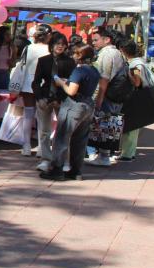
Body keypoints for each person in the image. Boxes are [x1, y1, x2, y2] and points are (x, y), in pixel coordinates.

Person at [41, 44, 99, 181]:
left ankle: (57, 169)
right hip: (88, 104)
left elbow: (71, 91)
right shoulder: (94, 70)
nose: (72, 56)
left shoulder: (79, 71)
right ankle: (76, 170)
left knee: (61, 137)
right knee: (80, 139)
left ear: (80, 56)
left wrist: (61, 82)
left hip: (74, 105)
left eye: (75, 54)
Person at [31, 32, 75, 172]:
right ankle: (45, 159)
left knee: (63, 131)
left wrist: (62, 95)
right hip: (45, 97)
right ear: (51, 45)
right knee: (44, 131)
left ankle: (64, 160)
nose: (60, 47)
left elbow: (73, 82)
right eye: (57, 44)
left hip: (62, 98)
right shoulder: (44, 60)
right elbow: (36, 81)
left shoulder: (70, 61)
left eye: (62, 44)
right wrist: (39, 97)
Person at [88, 27, 126, 167]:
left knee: (104, 124)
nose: (94, 43)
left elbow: (104, 79)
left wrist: (99, 99)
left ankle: (103, 156)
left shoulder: (108, 54)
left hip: (107, 96)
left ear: (107, 39)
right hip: (114, 95)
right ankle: (104, 155)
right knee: (109, 125)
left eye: (96, 40)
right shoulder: (116, 53)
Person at [117, 39, 154, 162]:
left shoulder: (134, 65)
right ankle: (129, 152)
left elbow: (137, 81)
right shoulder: (140, 62)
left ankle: (127, 154)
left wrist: (128, 73)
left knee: (131, 127)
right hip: (142, 96)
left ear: (123, 51)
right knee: (132, 127)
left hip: (137, 96)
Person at [17, 24, 52, 156]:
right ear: (48, 35)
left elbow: (22, 65)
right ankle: (41, 147)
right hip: (43, 84)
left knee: (28, 115)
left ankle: (26, 145)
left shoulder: (28, 48)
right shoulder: (49, 49)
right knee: (42, 117)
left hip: (27, 83)